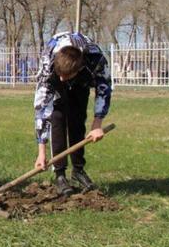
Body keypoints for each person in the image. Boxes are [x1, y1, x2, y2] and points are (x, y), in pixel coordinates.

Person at [33, 32, 112, 196]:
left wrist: (97, 124)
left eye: (66, 75)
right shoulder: (49, 62)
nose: (63, 79)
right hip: (54, 82)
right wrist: (41, 152)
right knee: (57, 118)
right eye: (60, 74)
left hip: (82, 82)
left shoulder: (95, 58)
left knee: (77, 120)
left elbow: (104, 89)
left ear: (79, 66)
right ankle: (60, 174)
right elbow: (42, 108)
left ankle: (78, 171)